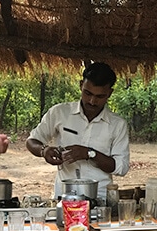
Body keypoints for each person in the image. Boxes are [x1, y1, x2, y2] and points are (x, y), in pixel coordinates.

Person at [26, 62, 130, 200]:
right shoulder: (60, 113)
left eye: (99, 97)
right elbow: (32, 141)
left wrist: (88, 153)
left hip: (100, 199)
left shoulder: (118, 124)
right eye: (87, 93)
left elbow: (121, 167)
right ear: (81, 85)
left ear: (109, 93)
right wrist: (44, 150)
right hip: (63, 196)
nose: (92, 101)